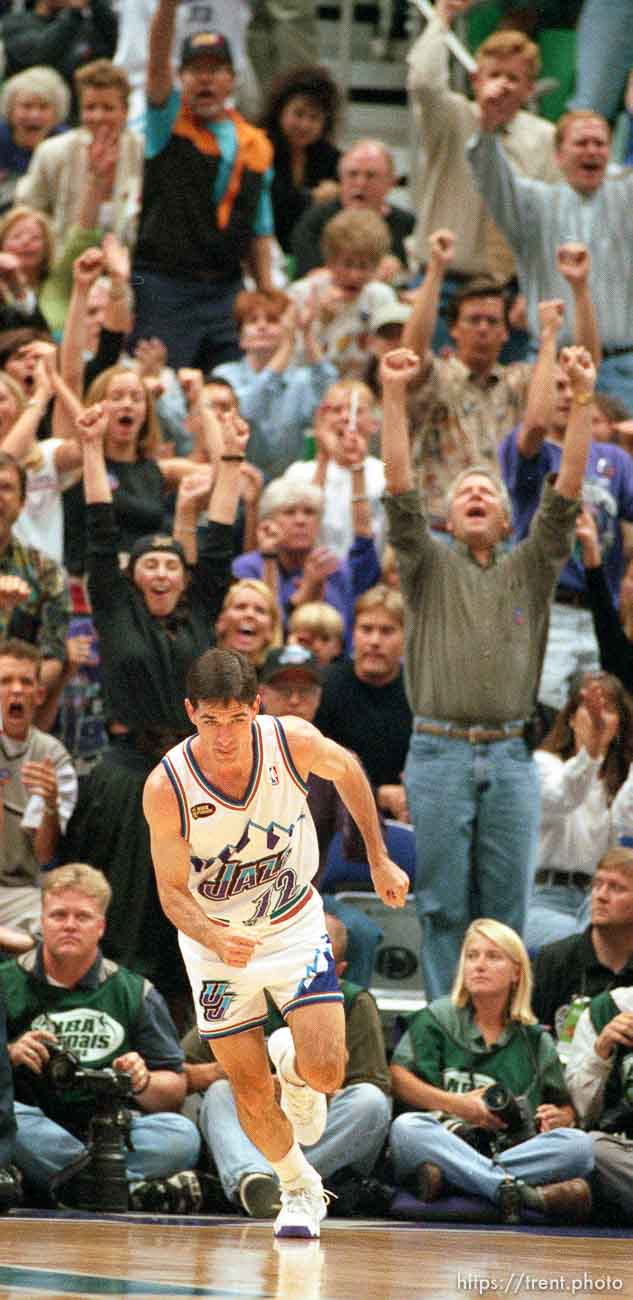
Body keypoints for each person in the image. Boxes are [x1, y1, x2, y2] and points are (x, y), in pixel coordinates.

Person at [142, 646, 409, 1238]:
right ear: (191, 713)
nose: (226, 736)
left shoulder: (291, 741)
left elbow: (351, 772)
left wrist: (379, 856)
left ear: (255, 708)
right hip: (215, 946)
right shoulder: (167, 785)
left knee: (329, 1073)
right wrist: (214, 933)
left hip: (292, 924)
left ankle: (295, 1066)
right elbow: (170, 891)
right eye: (211, 721)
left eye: (236, 720)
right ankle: (297, 1186)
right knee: (246, 1087)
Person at [380, 343, 595, 1000]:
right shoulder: (427, 566)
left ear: (505, 520)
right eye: (463, 490)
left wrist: (581, 401)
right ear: (447, 518)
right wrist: (392, 396)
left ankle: (506, 1029)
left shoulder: (529, 568)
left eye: (488, 490)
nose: (476, 492)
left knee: (506, 914)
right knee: (442, 908)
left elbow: (564, 494)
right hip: (438, 750)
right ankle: (450, 1031)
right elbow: (397, 489)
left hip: (508, 754)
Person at [62, 401, 245, 1000]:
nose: (163, 573)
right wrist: (91, 451)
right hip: (125, 775)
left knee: (187, 902)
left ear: (183, 579)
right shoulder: (116, 612)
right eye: (151, 565)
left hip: (192, 774)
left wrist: (233, 461)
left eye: (171, 564)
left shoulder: (199, 617)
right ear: (135, 577)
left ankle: (181, 1016)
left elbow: (216, 544)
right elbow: (99, 533)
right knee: (124, 896)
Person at [0, 862, 201, 1209]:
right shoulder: (7, 982)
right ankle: (115, 1188)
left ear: (101, 926)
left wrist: (142, 1079)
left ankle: (62, 1184)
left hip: (112, 1130)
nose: (69, 925)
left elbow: (174, 1091)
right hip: (34, 1121)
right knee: (8, 1120)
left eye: (82, 917)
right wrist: (9, 1053)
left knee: (182, 1135)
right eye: (58, 915)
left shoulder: (135, 991)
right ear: (42, 921)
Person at [183, 911, 391, 1218]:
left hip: (318, 1130)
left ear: (339, 968)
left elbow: (375, 1085)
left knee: (371, 1103)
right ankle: (253, 1179)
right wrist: (241, 1075)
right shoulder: (237, 988)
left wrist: (316, 1085)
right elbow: (178, 1073)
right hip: (255, 1123)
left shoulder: (355, 1001)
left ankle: (287, 1183)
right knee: (219, 1092)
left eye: (316, 953)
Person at [389, 918, 593, 1223]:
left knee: (580, 1146)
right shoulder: (436, 1018)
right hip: (444, 1139)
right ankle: (519, 1192)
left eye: (493, 956)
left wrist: (562, 1116)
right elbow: (399, 1079)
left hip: (504, 1149)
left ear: (516, 972)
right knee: (407, 1128)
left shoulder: (536, 1040)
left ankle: (456, 1181)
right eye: (472, 956)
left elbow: (564, 1108)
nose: (479, 965)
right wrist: (459, 1105)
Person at [404, 232, 597, 528]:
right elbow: (411, 352)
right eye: (473, 320)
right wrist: (436, 269)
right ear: (453, 328)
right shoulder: (435, 376)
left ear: (506, 333)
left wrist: (580, 289)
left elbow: (585, 367)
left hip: (507, 531)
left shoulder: (520, 380)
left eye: (492, 321)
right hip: (440, 528)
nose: (483, 328)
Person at [130, 8, 274, 372]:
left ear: (232, 79)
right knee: (162, 388)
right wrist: (168, 5)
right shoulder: (167, 124)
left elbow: (259, 227)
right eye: (195, 70)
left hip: (226, 290)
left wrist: (265, 291)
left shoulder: (255, 144)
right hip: (164, 286)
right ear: (181, 78)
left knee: (231, 390)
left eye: (215, 70)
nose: (205, 79)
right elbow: (157, 61)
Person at [407, 5, 558, 352]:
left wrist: (537, 288)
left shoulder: (546, 139)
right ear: (476, 80)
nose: (503, 87)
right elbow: (423, 82)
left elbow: (548, 223)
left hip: (511, 296)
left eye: (514, 79)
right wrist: (442, 17)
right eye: (495, 75)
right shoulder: (451, 118)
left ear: (529, 89)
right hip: (446, 286)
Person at [500, 330, 633, 712]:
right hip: (546, 609)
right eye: (556, 385)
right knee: (545, 715)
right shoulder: (527, 452)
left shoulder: (614, 459)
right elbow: (536, 426)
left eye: (571, 384)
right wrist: (547, 337)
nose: (565, 392)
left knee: (600, 717)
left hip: (600, 611)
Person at [467, 108, 633, 407]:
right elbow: (493, 181)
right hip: (550, 362)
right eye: (582, 143)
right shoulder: (534, 205)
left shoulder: (627, 198)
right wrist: (487, 130)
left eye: (600, 143)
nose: (592, 151)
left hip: (621, 369)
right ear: (558, 155)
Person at [525, 673, 633, 950]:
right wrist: (591, 753)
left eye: (608, 710)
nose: (599, 718)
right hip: (542, 897)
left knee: (605, 934)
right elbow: (563, 797)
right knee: (588, 941)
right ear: (571, 718)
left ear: (619, 724)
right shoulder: (544, 764)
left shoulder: (621, 780)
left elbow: (625, 826)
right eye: (590, 708)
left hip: (599, 896)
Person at [233, 477, 381, 652]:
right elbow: (266, 633)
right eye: (289, 512)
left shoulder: (333, 568)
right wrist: (306, 593)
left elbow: (344, 636)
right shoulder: (247, 568)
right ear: (268, 522)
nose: (301, 520)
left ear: (319, 522)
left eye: (309, 512)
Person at [211, 289, 338, 482]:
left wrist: (306, 333)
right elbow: (247, 411)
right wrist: (287, 345)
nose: (262, 326)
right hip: (238, 480)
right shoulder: (225, 375)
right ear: (241, 338)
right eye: (253, 321)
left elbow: (331, 395)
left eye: (272, 320)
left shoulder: (299, 380)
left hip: (289, 484)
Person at [16, 61, 142, 250]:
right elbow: (28, 211)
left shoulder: (143, 152)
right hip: (65, 261)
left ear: (125, 111)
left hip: (133, 266)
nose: (98, 117)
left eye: (108, 108)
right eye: (90, 108)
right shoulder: (51, 152)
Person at [0, 638, 77, 938]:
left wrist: (50, 804)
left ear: (40, 694)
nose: (16, 689)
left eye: (25, 681)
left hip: (20, 891)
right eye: (5, 681)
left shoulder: (52, 756)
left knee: (56, 934)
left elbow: (44, 856)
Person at [315, 585, 412, 823]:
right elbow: (314, 770)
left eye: (387, 631)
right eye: (366, 630)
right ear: (353, 634)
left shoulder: (420, 691)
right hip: (336, 816)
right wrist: (378, 794)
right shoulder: (326, 685)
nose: (374, 641)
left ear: (406, 637)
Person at [532, 848, 633, 1050]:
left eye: (616, 888)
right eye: (597, 885)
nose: (601, 896)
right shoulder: (553, 960)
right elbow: (525, 1043)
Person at [283, 377, 385, 562]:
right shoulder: (298, 473)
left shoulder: (384, 474)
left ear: (374, 423)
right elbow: (300, 525)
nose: (346, 417)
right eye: (336, 410)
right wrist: (323, 458)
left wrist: (356, 466)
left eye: (357, 411)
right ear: (321, 418)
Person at [288, 208, 397, 379]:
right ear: (330, 261)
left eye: (364, 266)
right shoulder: (302, 293)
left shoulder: (381, 297)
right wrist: (321, 322)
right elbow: (291, 359)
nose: (355, 275)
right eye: (347, 264)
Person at [291, 139, 414, 282]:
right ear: (340, 178)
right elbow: (309, 274)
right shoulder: (315, 220)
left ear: (390, 183)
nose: (360, 183)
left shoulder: (407, 223)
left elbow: (413, 276)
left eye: (371, 175)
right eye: (353, 174)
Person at [0, 450, 71, 698]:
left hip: (17, 711)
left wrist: (12, 688)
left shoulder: (45, 571)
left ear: (21, 503)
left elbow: (53, 659)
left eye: (6, 487)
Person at [566, 982, 633, 1223]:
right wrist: (601, 1051)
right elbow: (581, 1112)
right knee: (588, 1147)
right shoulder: (605, 1010)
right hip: (623, 1154)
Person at [261, 65, 341, 256]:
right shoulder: (259, 147)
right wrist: (312, 198)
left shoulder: (331, 157)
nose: (304, 125)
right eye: (298, 114)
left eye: (314, 118)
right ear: (280, 111)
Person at [1, 0, 118, 122]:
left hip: (76, 124)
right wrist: (74, 12)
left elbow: (111, 45)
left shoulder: (86, 27)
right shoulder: (13, 23)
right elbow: (41, 56)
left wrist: (95, 4)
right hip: (27, 123)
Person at [0, 67, 69, 216]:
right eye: (26, 106)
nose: (34, 115)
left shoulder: (66, 144)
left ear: (56, 113)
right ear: (10, 110)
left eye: (43, 107)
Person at [216, 578, 283, 670]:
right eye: (240, 607)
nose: (249, 614)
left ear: (271, 630)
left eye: (260, 610)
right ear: (222, 621)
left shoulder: (282, 679)